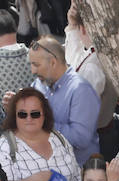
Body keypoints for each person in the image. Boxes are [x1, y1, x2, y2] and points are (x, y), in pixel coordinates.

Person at [25, 36, 99, 165]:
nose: (33, 71)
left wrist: (42, 123)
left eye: (36, 65)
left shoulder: (81, 90)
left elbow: (81, 139)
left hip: (78, 173)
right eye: (31, 64)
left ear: (53, 62)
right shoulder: (39, 84)